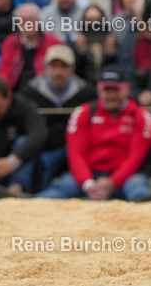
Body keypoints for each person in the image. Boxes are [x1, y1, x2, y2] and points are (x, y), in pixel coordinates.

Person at [36, 66, 151, 202]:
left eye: (115, 90)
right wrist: (88, 183)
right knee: (57, 191)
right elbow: (76, 153)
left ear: (126, 88)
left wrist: (113, 182)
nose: (111, 95)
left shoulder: (140, 115)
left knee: (139, 190)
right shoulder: (83, 112)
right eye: (106, 90)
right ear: (99, 89)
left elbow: (137, 157)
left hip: (126, 176)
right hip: (89, 174)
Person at [18, 45, 97, 193]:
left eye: (64, 67)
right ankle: (23, 190)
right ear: (45, 67)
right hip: (44, 148)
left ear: (72, 68)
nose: (58, 72)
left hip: (79, 148)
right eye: (53, 66)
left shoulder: (87, 93)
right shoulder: (29, 92)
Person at [0, 74, 46, 199]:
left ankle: (16, 190)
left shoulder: (23, 106)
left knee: (24, 142)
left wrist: (14, 160)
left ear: (9, 97)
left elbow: (39, 133)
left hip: (17, 168)